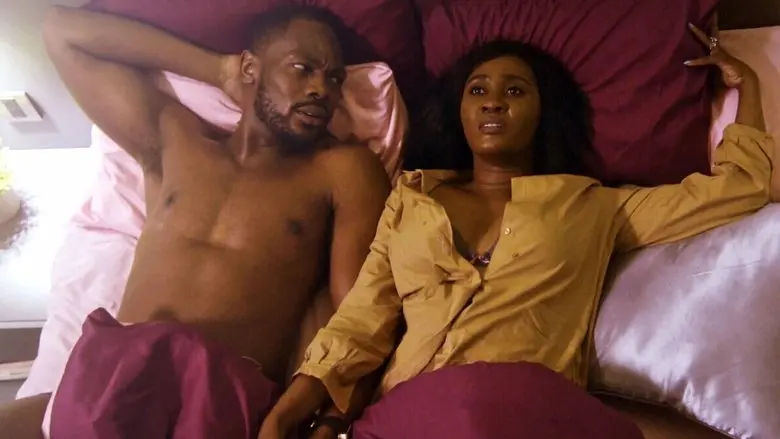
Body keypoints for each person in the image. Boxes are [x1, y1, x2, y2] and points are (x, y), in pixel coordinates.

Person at [258, 24, 774, 438]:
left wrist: (747, 84)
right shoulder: (410, 201)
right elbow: (360, 323)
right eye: (477, 90)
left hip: (524, 409)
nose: (493, 101)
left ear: (542, 112)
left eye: (515, 90)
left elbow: (741, 187)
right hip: (412, 412)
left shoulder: (592, 206)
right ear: (459, 111)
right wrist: (286, 416)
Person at [0, 4, 391, 439]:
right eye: (303, 69)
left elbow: (359, 312)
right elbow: (64, 32)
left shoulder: (342, 169)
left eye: (334, 79)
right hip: (112, 377)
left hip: (220, 394)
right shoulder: (177, 139)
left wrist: (328, 419)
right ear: (251, 68)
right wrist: (219, 70)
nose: (322, 89)